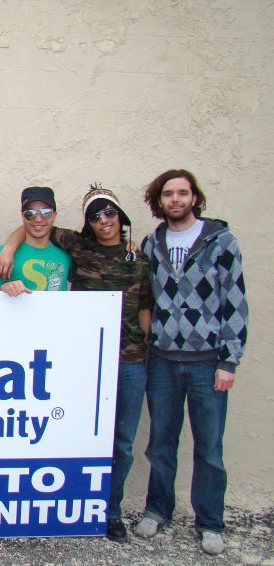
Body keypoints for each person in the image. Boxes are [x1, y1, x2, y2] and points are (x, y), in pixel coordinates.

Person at [0, 184, 151, 542]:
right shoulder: (78, 246)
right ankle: (77, 506)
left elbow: (145, 309)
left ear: (120, 217)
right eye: (95, 215)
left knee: (122, 441)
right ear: (87, 222)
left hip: (130, 361)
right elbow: (30, 226)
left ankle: (111, 512)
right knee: (77, 434)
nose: (103, 220)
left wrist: (150, 357)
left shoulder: (138, 259)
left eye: (109, 212)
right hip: (86, 358)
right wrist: (8, 246)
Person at [133, 169, 248, 556]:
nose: (176, 200)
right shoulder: (153, 244)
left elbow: (235, 302)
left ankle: (210, 522)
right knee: (161, 443)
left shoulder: (220, 242)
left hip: (207, 361)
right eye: (169, 194)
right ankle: (157, 509)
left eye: (183, 193)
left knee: (209, 448)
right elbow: (145, 298)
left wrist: (229, 361)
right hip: (163, 360)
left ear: (195, 198)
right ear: (159, 201)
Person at [0, 186, 71, 296]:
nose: (38, 219)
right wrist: (3, 291)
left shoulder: (66, 253)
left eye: (46, 212)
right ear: (23, 216)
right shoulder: (1, 254)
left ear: (54, 216)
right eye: (30, 213)